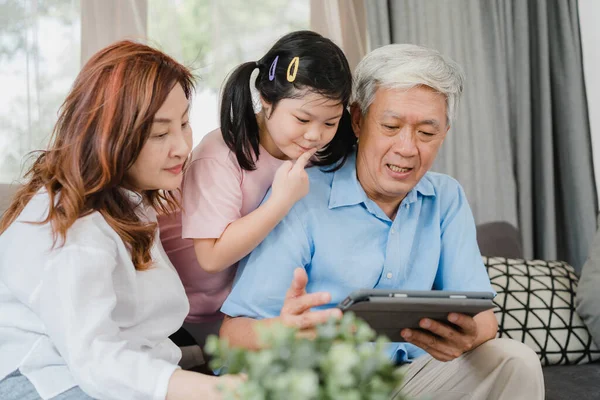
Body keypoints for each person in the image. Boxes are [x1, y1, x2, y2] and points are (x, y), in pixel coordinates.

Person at [219, 44, 545, 399]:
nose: (407, 148)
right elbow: (231, 334)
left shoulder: (446, 199)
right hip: (326, 383)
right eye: (391, 126)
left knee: (516, 360)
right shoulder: (300, 196)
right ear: (357, 120)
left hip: (410, 378)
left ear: (445, 134)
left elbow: (484, 321)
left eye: (426, 133)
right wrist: (286, 331)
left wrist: (468, 335)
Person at [0, 40, 241, 400]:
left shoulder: (127, 201)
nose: (181, 146)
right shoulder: (72, 227)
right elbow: (96, 357)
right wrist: (215, 389)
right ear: (110, 137)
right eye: (160, 134)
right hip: (45, 379)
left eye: (185, 123)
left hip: (98, 370)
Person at [158, 30, 355, 349]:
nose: (315, 135)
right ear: (266, 99)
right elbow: (210, 257)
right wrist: (280, 202)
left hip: (249, 310)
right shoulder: (220, 155)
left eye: (330, 123)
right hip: (191, 316)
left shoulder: (311, 154)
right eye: (303, 119)